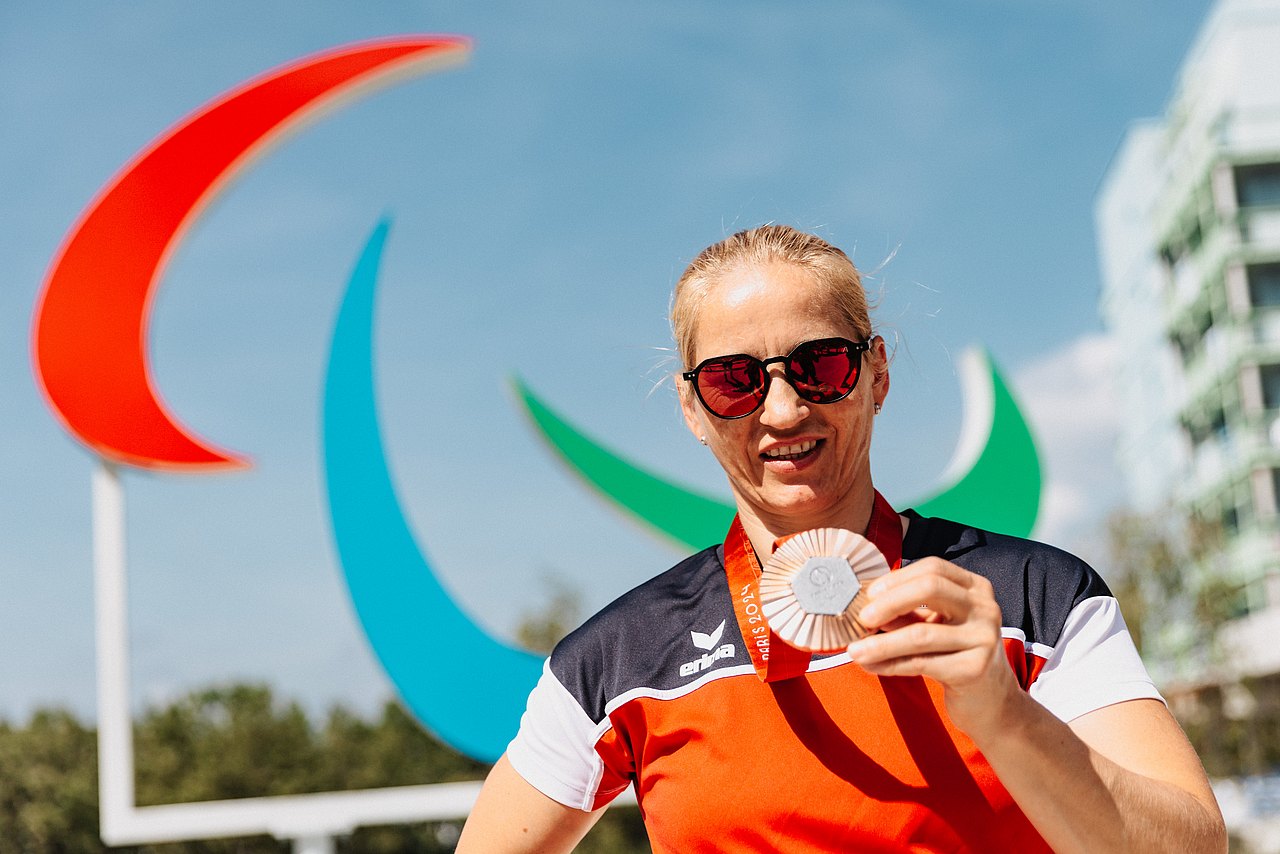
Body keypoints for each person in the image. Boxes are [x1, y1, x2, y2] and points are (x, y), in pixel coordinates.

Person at [457, 225, 1227, 853]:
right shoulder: (619, 659)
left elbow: (1192, 851)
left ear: (876, 373)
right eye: (734, 380)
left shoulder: (1037, 597)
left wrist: (1004, 713)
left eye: (819, 364)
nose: (785, 410)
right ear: (692, 409)